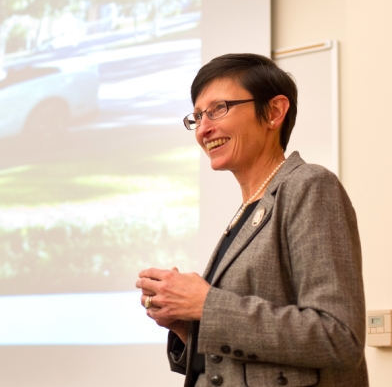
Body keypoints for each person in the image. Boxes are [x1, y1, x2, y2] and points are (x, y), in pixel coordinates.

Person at [136, 53, 368, 387]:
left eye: (219, 108)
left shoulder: (309, 186)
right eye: (197, 116)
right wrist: (185, 324)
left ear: (274, 112)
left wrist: (206, 304)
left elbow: (337, 336)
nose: (204, 128)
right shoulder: (249, 209)